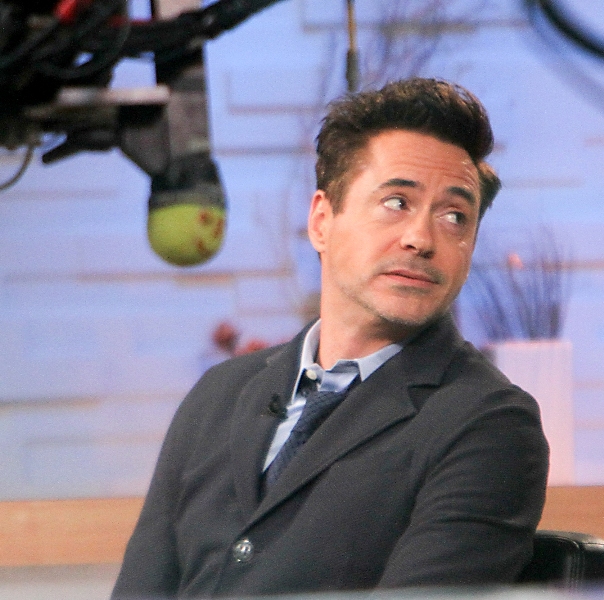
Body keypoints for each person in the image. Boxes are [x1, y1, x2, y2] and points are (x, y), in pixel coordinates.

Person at [112, 78, 549, 598]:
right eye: (397, 202)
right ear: (322, 220)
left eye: (455, 216)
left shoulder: (489, 425)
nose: (421, 238)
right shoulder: (219, 395)